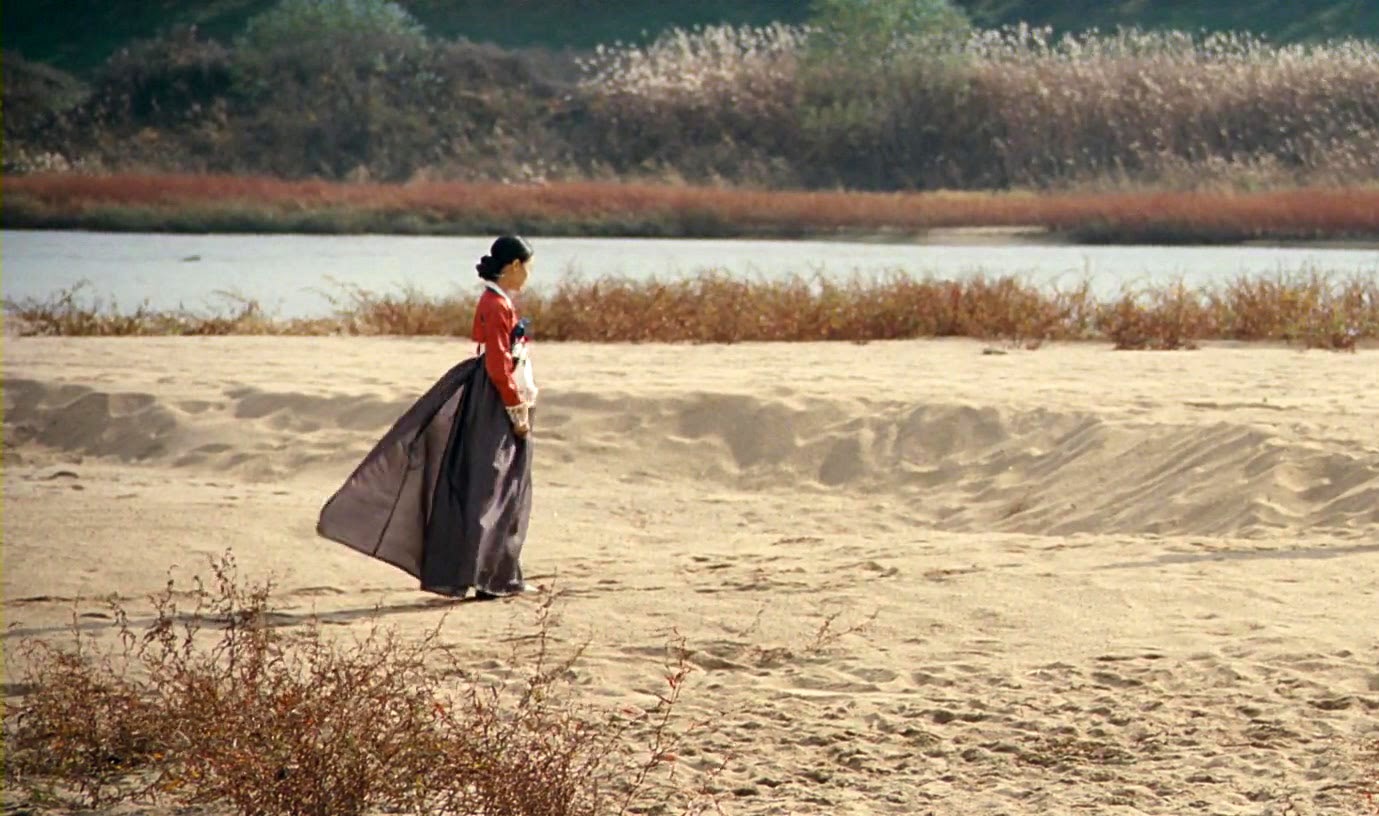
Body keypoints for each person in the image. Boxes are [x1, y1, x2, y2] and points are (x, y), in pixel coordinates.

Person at [316, 235, 537, 601]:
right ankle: (489, 576)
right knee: (494, 484)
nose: (528, 275)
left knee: (490, 483)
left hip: (488, 391)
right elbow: (498, 364)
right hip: (494, 398)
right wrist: (516, 409)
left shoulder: (495, 300)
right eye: (527, 268)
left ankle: (494, 573)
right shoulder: (496, 304)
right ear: (513, 266)